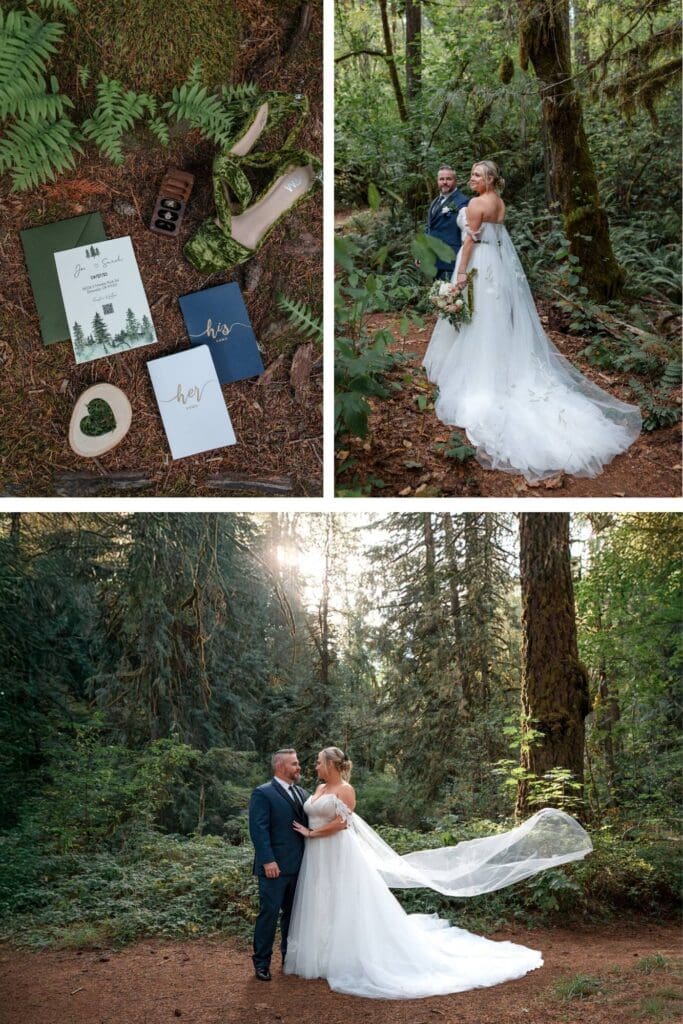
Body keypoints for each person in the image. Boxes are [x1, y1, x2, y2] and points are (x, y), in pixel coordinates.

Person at [283, 746, 592, 999]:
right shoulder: (321, 788)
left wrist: (312, 835)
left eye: (319, 763)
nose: (315, 767)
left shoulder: (346, 789)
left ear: (332, 765)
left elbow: (343, 823)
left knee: (345, 901)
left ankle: (346, 957)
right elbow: (314, 812)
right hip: (318, 856)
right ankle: (320, 957)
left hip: (336, 851)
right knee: (321, 900)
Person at [423, 160, 641, 482]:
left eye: (476, 175)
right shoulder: (499, 203)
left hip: (480, 266)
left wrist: (459, 278)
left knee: (477, 319)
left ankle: (482, 374)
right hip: (497, 266)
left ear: (490, 179)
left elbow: (470, 241)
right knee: (493, 322)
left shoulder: (475, 204)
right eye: (470, 174)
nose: (470, 179)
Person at [248, 748, 345, 981]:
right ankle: (261, 963)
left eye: (298, 763)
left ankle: (289, 959)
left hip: (302, 867)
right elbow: (258, 830)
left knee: (294, 917)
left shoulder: (304, 794)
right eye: (294, 764)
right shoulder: (263, 793)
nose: (299, 767)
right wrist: (268, 860)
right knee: (269, 914)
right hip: (274, 868)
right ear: (280, 767)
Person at [425, 165, 470, 280]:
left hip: (451, 261)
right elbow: (430, 228)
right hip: (434, 261)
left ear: (455, 181)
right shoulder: (435, 201)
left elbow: (468, 233)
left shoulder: (463, 201)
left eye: (448, 179)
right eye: (441, 179)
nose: (444, 182)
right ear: (437, 181)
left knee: (450, 297)